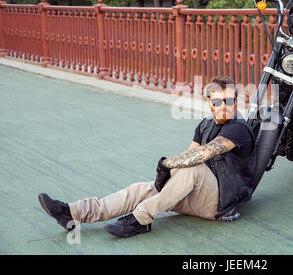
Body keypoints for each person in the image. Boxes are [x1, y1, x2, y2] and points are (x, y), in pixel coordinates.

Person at [38, 76, 256, 238]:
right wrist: (166, 177)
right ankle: (73, 212)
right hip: (194, 196)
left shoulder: (238, 129)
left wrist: (166, 164)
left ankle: (140, 219)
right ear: (208, 101)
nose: (223, 107)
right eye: (217, 102)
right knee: (141, 189)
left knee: (193, 167)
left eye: (229, 101)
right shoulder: (205, 125)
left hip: (218, 204)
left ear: (237, 101)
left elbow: (202, 154)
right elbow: (188, 154)